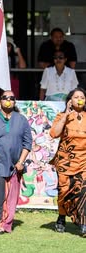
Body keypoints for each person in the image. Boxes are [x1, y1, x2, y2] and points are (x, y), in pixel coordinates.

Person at [0, 91, 31, 234]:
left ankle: (7, 222)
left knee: (12, 195)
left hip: (16, 164)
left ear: (15, 101)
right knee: (0, 194)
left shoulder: (21, 120)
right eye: (5, 98)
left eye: (12, 98)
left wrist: (21, 161)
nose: (8, 100)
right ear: (0, 101)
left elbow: (27, 143)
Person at [48, 87, 86, 236]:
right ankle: (61, 217)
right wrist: (65, 115)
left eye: (82, 97)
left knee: (83, 190)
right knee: (64, 191)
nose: (79, 100)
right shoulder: (61, 116)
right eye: (76, 97)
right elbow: (54, 133)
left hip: (83, 160)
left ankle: (83, 222)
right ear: (70, 101)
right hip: (65, 161)